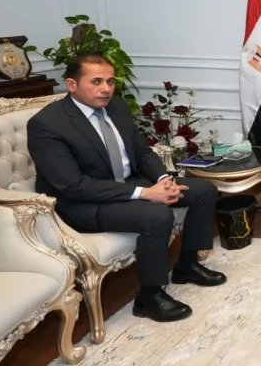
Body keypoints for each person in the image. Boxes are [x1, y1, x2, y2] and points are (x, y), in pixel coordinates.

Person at [28, 54, 225, 323]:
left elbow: (142, 153)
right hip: (82, 203)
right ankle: (149, 297)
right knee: (156, 215)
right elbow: (74, 186)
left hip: (125, 183)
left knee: (203, 191)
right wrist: (147, 194)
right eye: (96, 81)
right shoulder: (47, 124)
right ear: (72, 85)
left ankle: (187, 266)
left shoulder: (116, 107)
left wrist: (163, 180)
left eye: (110, 81)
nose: (106, 89)